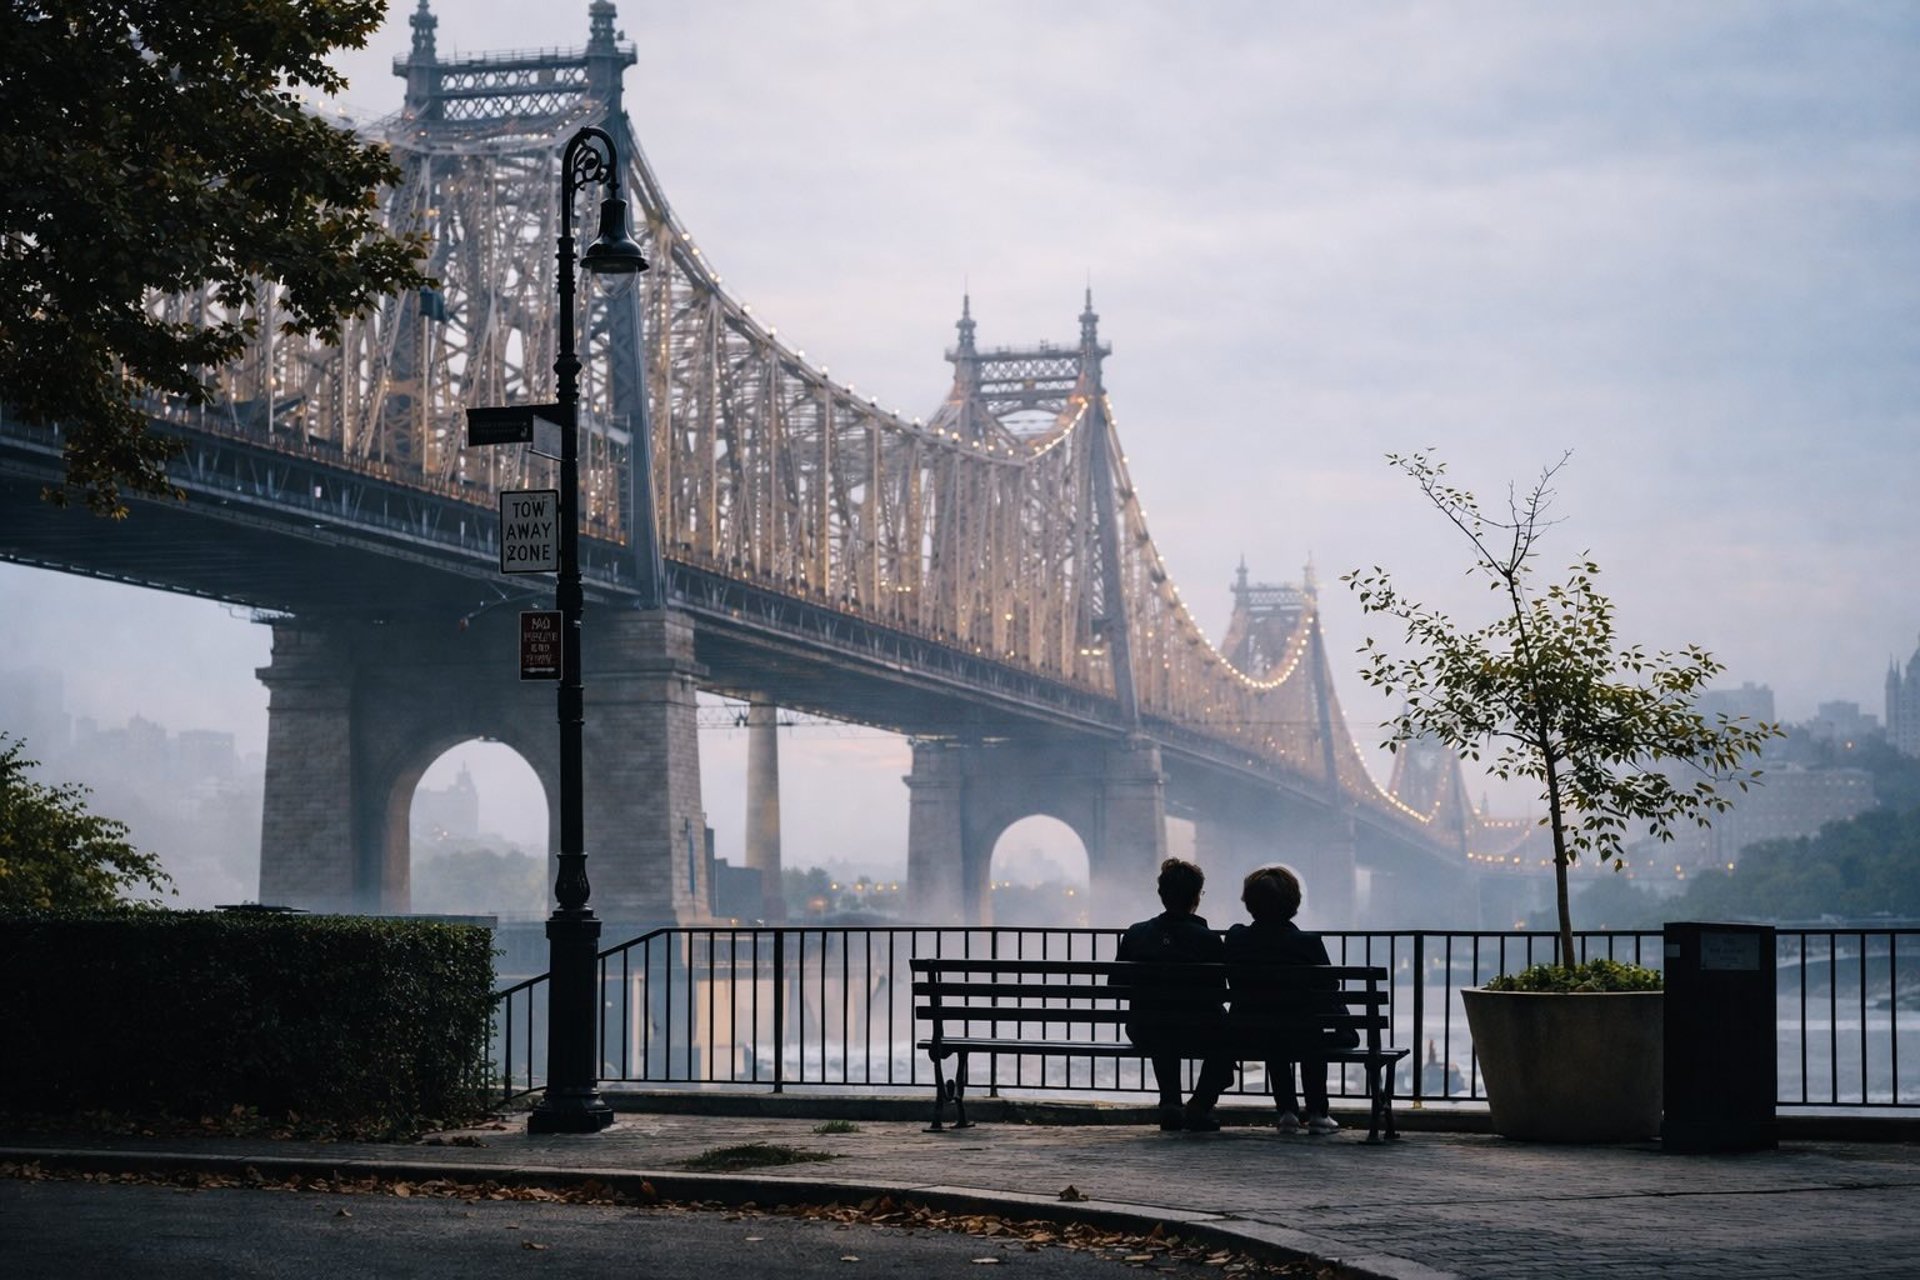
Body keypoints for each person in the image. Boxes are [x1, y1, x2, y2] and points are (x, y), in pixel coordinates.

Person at [1223, 864, 1349, 1136]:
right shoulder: (1309, 943)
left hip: (1251, 1032)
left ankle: (1288, 1113)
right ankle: (1317, 1113)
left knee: (1273, 1026)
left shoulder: (1236, 938)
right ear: (1293, 903)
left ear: (1249, 903)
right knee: (1305, 1027)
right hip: (1302, 1033)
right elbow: (1329, 987)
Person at [1116, 857, 1236, 1131]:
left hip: (1145, 1028)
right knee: (1229, 1036)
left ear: (1161, 895)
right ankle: (1201, 1104)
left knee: (1163, 1025)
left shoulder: (1136, 934)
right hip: (1197, 1028)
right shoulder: (1207, 939)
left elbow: (1116, 984)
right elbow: (1219, 991)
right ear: (1196, 897)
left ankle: (1170, 1101)